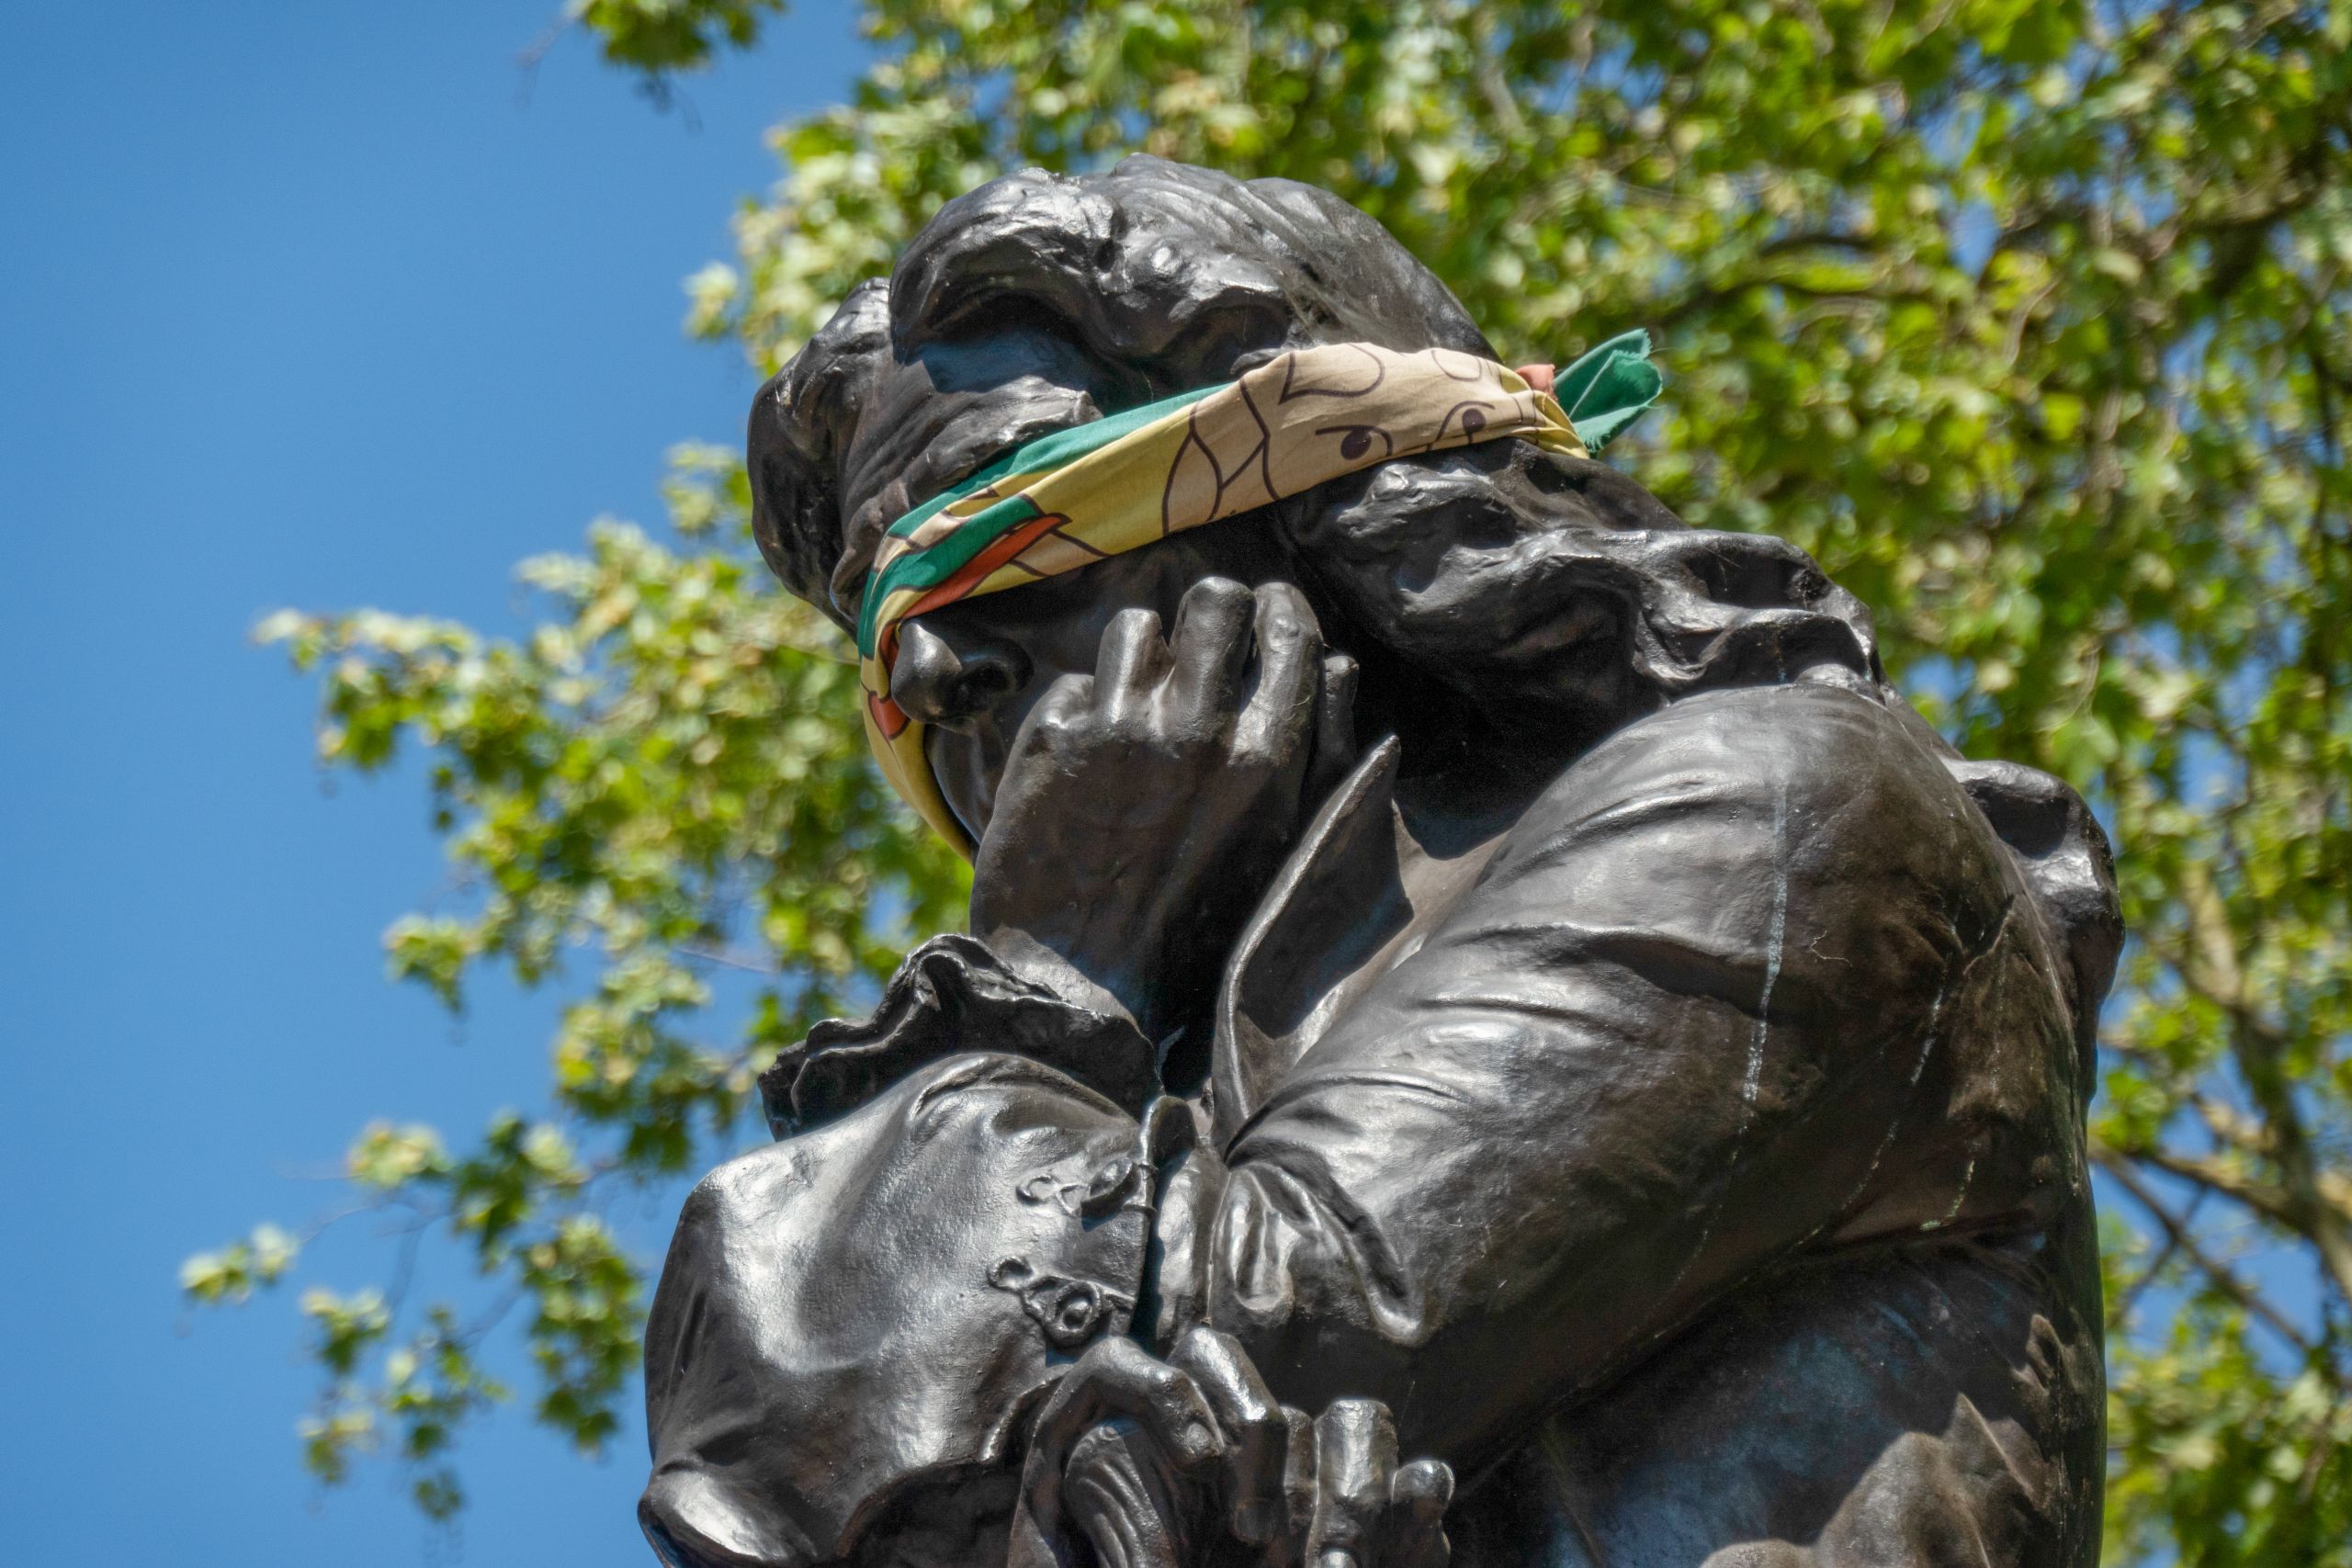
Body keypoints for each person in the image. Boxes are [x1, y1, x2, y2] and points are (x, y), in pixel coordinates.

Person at [641, 157, 2120, 1568]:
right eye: (880, 625)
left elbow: (1225, 1370)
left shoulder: (1781, 817)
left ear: (1323, 481)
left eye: (996, 527)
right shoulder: (1116, 1093)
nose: (932, 661)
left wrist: (1040, 982)